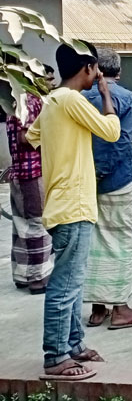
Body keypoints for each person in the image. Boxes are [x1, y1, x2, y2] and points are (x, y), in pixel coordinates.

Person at [28, 42, 120, 381]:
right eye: (96, 70)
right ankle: (55, 357)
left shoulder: (52, 101)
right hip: (73, 205)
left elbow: (30, 137)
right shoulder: (70, 100)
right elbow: (111, 131)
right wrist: (106, 95)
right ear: (90, 68)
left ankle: (74, 345)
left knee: (74, 283)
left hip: (63, 202)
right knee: (65, 286)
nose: (98, 75)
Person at [81, 49, 132, 330]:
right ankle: (121, 307)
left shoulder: (77, 98)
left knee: (93, 242)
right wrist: (104, 172)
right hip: (116, 179)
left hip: (85, 180)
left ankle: (97, 309)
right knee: (121, 243)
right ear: (119, 71)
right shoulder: (125, 98)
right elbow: (119, 140)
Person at [7, 89, 51, 294]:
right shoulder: (31, 101)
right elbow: (25, 137)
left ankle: (22, 274)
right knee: (38, 224)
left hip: (19, 172)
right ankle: (38, 278)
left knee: (21, 226)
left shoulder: (14, 101)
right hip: (33, 173)